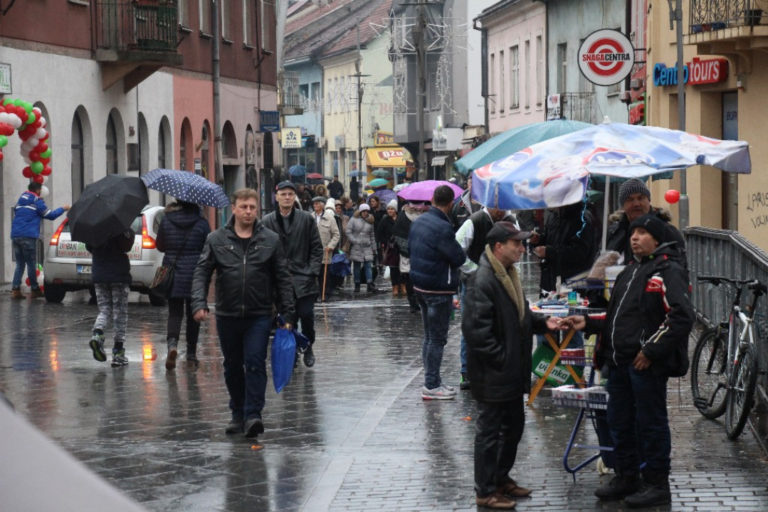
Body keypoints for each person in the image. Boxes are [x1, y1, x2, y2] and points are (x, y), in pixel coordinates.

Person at [562, 214, 694, 508]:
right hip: (618, 361)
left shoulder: (667, 271)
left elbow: (681, 316)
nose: (635, 237)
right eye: (633, 232)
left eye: (643, 233)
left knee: (650, 423)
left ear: (657, 240)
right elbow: (617, 316)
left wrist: (650, 351)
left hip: (644, 364)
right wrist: (587, 322)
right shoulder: (631, 271)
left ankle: (657, 484)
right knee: (619, 421)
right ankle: (627, 476)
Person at [463, 221, 560, 509]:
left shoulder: (507, 274)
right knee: (490, 432)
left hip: (510, 371)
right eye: (516, 243)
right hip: (494, 373)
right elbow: (477, 333)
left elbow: (519, 315)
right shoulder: (483, 280)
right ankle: (485, 490)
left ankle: (500, 478)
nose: (521, 248)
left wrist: (542, 322)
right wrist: (502, 361)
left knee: (513, 427)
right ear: (498, 247)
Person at [190, 188, 296, 438]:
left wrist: (288, 314)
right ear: (234, 209)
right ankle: (237, 412)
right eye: (244, 207)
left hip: (259, 313)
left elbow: (283, 278)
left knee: (255, 362)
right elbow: (202, 272)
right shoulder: (216, 239)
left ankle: (253, 415)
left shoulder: (270, 239)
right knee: (232, 366)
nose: (248, 211)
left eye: (252, 207)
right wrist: (198, 303)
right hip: (227, 314)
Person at [408, 185, 466, 400]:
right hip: (438, 288)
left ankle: (432, 380)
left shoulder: (419, 222)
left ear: (432, 199)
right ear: (451, 203)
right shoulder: (443, 227)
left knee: (429, 337)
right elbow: (458, 257)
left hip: (420, 285)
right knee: (437, 339)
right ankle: (431, 385)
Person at [455, 206, 519, 390]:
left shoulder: (511, 221)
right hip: (474, 284)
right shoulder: (474, 221)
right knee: (471, 325)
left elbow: (517, 251)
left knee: (500, 325)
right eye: (496, 206)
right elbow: (456, 248)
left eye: (503, 206)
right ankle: (467, 371)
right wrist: (476, 271)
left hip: (502, 283)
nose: (500, 210)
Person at [262, 181, 324, 368]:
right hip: (280, 280)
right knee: (287, 318)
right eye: (283, 194)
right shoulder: (267, 221)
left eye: (290, 194)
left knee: (306, 315)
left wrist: (312, 271)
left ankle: (308, 344)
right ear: (277, 197)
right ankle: (293, 350)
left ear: (294, 197)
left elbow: (316, 247)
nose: (287, 197)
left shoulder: (306, 219)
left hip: (304, 277)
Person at [155, 200, 211, 370]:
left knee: (174, 313)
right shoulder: (202, 223)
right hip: (195, 273)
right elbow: (208, 247)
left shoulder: (167, 220)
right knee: (193, 314)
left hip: (173, 271)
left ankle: (172, 346)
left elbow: (160, 245)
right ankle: (191, 355)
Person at [10, 182, 69, 299]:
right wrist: (63, 208)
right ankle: (35, 289)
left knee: (20, 264)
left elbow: (19, 212)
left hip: (16, 235)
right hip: (28, 236)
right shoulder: (37, 200)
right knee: (31, 264)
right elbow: (50, 215)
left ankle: (15, 289)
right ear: (38, 190)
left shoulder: (21, 199)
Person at [606, 178, 685, 264]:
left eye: (640, 198)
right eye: (630, 199)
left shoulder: (666, 230)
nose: (636, 204)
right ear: (623, 205)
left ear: (649, 200)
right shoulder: (614, 232)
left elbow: (679, 263)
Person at [87, 228, 135, 367]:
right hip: (118, 275)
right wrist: (128, 233)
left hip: (99, 273)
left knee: (104, 310)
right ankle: (118, 352)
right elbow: (127, 246)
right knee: (120, 314)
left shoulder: (94, 227)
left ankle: (97, 334)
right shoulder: (121, 227)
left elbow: (89, 247)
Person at [530, 202, 596, 293]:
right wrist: (538, 240)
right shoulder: (553, 216)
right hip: (551, 282)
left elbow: (579, 252)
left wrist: (549, 252)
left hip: (574, 283)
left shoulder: (583, 219)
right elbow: (551, 240)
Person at [392, 201, 427, 312]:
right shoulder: (426, 215)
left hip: (406, 252)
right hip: (422, 252)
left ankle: (412, 303)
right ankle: (420, 300)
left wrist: (405, 249)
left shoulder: (402, 215)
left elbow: (397, 233)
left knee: (409, 277)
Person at [312, 196, 340, 300]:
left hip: (325, 251)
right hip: (312, 252)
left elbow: (336, 234)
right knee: (313, 274)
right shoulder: (310, 217)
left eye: (317, 203)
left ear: (322, 205)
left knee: (324, 274)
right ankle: (314, 294)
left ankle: (324, 294)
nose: (315, 205)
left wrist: (331, 246)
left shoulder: (330, 218)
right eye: (314, 204)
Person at [345, 203, 377, 293]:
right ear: (360, 211)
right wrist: (354, 240)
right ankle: (357, 284)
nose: (365, 213)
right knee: (357, 266)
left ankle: (369, 283)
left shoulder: (370, 220)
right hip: (356, 246)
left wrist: (374, 248)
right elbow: (348, 231)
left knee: (368, 265)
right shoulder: (353, 219)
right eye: (364, 211)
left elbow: (372, 235)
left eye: (367, 211)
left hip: (367, 246)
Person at [376, 199, 402, 297]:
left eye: (392, 209)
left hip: (401, 247)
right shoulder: (385, 220)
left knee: (402, 267)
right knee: (393, 268)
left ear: (395, 210)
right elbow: (379, 233)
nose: (390, 211)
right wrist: (385, 242)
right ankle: (395, 286)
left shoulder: (400, 219)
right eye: (389, 209)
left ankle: (402, 285)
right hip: (390, 248)